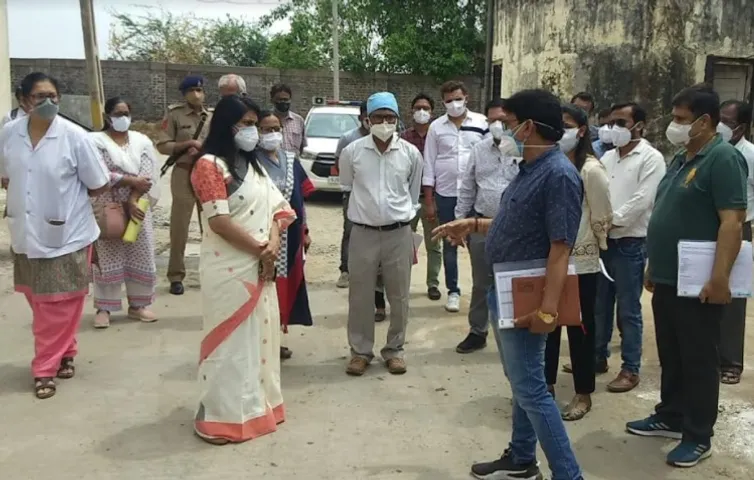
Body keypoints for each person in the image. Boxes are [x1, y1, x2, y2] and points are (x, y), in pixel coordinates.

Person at [433, 89, 584, 480]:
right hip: (505, 287)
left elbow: (560, 248)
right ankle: (520, 457)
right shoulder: (527, 169)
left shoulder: (558, 174)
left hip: (528, 294)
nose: (503, 130)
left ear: (529, 126)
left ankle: (568, 474)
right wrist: (475, 224)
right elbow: (518, 222)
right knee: (522, 383)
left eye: (509, 122)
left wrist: (548, 309)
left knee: (532, 388)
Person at [627, 84, 748, 468]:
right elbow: (667, 213)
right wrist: (654, 265)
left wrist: (720, 278)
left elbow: (732, 222)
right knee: (673, 353)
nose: (675, 126)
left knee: (698, 357)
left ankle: (698, 435)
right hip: (668, 276)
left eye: (681, 119)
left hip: (699, 281)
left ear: (704, 121)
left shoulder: (722, 158)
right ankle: (671, 415)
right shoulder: (683, 156)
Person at [189, 95, 296, 445]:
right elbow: (218, 221)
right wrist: (260, 250)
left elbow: (279, 208)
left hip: (261, 265)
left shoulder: (254, 165)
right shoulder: (209, 165)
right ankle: (222, 417)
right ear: (226, 124)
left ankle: (258, 407)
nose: (252, 131)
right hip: (230, 268)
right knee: (231, 343)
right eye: (246, 124)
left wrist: (273, 244)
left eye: (255, 123)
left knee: (260, 340)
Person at [0, 72, 110, 399]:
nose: (48, 103)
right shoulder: (8, 134)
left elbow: (99, 183)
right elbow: (5, 175)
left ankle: (44, 368)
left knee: (58, 304)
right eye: (39, 97)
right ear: (23, 101)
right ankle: (66, 350)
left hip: (69, 234)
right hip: (26, 231)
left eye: (53, 97)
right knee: (40, 299)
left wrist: (66, 202)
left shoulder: (75, 137)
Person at [339, 92, 422, 377]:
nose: (384, 123)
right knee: (360, 295)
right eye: (378, 117)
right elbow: (347, 185)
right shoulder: (352, 152)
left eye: (390, 118)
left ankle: (395, 350)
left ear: (398, 120)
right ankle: (360, 351)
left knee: (399, 296)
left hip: (399, 233)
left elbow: (413, 194)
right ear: (367, 120)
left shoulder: (411, 154)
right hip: (362, 233)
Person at [544, 103, 612, 421]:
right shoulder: (550, 163)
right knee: (547, 325)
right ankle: (545, 388)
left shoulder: (591, 170)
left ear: (582, 130)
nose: (562, 130)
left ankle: (583, 393)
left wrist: (594, 247)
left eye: (567, 125)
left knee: (580, 330)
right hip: (549, 259)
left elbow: (601, 216)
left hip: (580, 263)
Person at [594, 102, 666, 393]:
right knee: (599, 306)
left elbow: (643, 200)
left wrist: (611, 221)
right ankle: (597, 357)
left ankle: (630, 368)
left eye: (622, 123)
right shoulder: (608, 157)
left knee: (628, 310)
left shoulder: (651, 158)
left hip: (630, 243)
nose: (615, 128)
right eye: (612, 123)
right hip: (603, 242)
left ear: (640, 126)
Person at [453, 97, 519, 354]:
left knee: (513, 281)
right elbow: (468, 187)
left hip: (515, 228)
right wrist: (460, 222)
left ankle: (513, 333)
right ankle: (477, 331)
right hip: (481, 225)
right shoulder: (479, 150)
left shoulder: (523, 150)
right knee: (482, 281)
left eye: (503, 121)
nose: (497, 125)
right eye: (492, 120)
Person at [89, 97, 160, 328]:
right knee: (108, 253)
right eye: (118, 114)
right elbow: (97, 173)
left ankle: (138, 305)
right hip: (107, 203)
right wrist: (129, 180)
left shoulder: (142, 141)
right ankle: (104, 307)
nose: (123, 118)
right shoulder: (94, 141)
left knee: (140, 251)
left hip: (138, 204)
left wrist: (133, 198)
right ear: (108, 116)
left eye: (126, 113)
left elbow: (147, 174)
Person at [255, 109, 315, 361]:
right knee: (260, 287)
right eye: (266, 129)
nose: (272, 134)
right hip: (259, 235)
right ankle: (256, 342)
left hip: (289, 237)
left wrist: (305, 231)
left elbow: (300, 200)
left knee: (282, 287)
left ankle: (275, 339)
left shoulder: (291, 160)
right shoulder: (248, 161)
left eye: (276, 129)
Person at [423, 80, 488, 312]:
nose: (454, 104)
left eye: (458, 99)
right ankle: (453, 290)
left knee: (478, 245)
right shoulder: (436, 128)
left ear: (466, 97)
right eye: (449, 100)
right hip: (446, 193)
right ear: (443, 102)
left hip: (476, 194)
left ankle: (483, 292)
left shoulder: (482, 123)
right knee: (450, 242)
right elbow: (429, 163)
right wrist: (429, 200)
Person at [156, 75, 213, 296]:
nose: (196, 95)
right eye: (191, 91)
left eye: (199, 90)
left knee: (209, 225)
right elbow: (162, 145)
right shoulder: (175, 115)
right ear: (184, 94)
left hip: (206, 172)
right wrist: (186, 144)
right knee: (179, 227)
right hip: (183, 172)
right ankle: (176, 276)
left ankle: (210, 272)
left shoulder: (211, 117)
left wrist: (203, 149)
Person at [716, 99, 754, 385]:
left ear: (740, 127)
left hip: (740, 229)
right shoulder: (715, 152)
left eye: (726, 122)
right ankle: (708, 354)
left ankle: (730, 362)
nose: (719, 126)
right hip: (711, 227)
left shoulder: (750, 154)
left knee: (733, 298)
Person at [401, 93, 442, 301]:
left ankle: (433, 283)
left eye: (425, 108)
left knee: (434, 243)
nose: (421, 112)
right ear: (411, 111)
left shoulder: (438, 136)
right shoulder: (403, 138)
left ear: (432, 112)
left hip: (432, 198)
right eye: (418, 108)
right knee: (405, 242)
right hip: (408, 197)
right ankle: (402, 282)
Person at [335, 101, 370, 288]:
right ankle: (345, 271)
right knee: (350, 232)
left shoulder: (385, 138)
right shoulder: (348, 138)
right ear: (360, 117)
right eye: (366, 115)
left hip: (374, 195)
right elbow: (338, 164)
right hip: (352, 194)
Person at [270, 84, 306, 155]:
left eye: (286, 99)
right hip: (272, 163)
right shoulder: (266, 120)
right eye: (279, 99)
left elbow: (302, 147)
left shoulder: (299, 120)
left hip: (293, 163)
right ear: (272, 100)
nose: (283, 102)